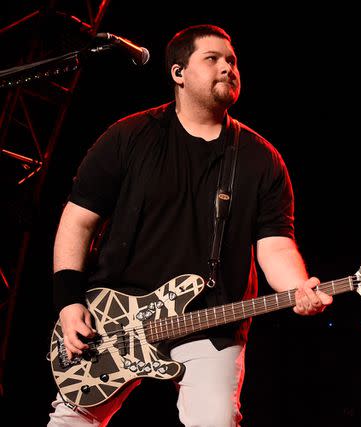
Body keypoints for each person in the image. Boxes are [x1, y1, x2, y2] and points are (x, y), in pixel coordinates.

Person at [47, 24, 332, 426]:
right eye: (212, 59)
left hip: (210, 320)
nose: (227, 68)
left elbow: (276, 245)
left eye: (231, 61)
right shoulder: (128, 137)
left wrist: (297, 287)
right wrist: (68, 301)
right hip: (116, 317)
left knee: (215, 419)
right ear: (178, 73)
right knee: (73, 420)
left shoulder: (260, 159)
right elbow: (78, 221)